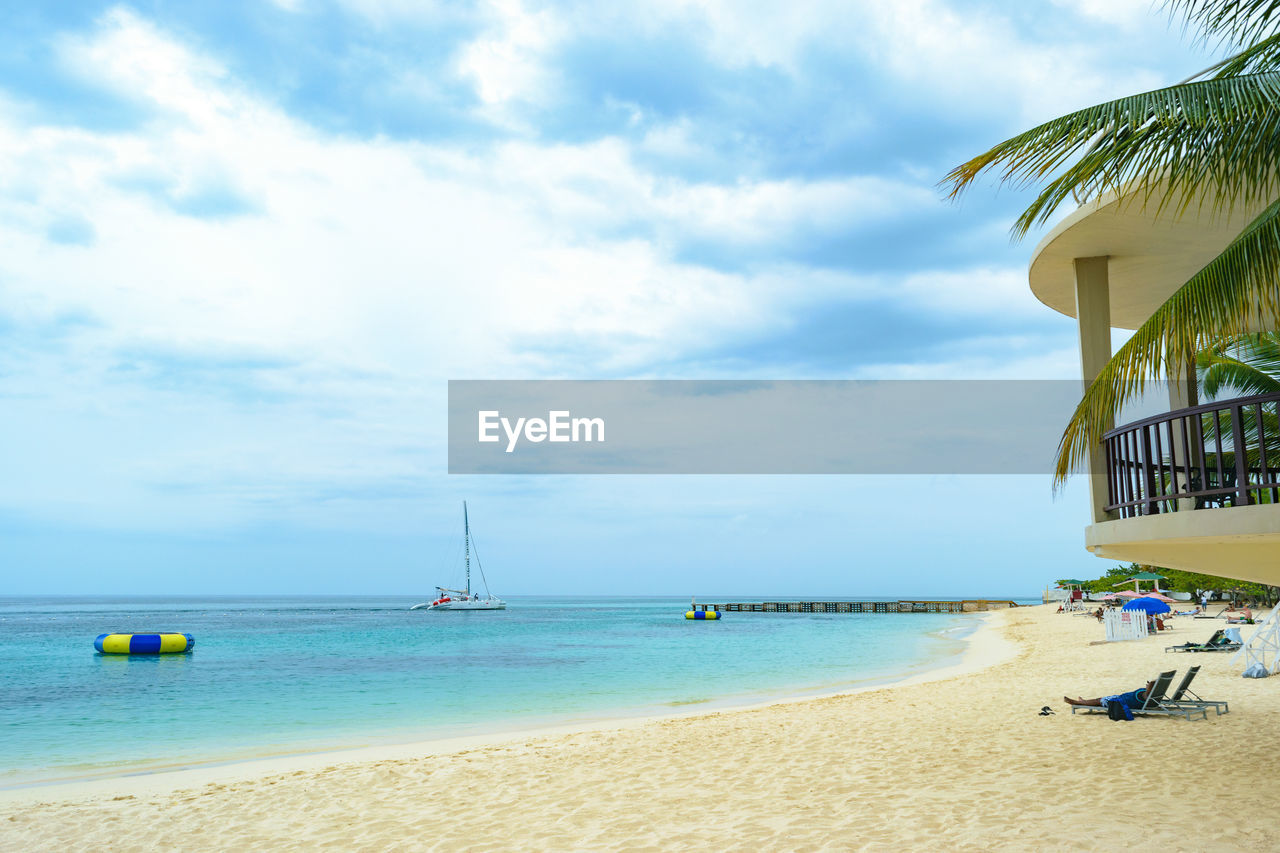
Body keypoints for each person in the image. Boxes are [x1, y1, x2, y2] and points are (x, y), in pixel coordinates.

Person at [1064, 680, 1154, 710]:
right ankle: (1083, 702)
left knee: (1099, 701)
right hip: (1119, 698)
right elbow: (1151, 686)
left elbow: (1149, 688)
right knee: (1100, 699)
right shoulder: (1148, 694)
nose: (1146, 684)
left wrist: (1151, 685)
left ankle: (1077, 703)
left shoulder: (1146, 696)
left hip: (1119, 703)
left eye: (1148, 684)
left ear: (1150, 689)